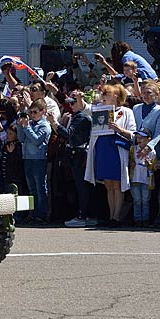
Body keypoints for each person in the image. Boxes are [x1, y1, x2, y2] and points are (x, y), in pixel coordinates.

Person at [84, 84, 137, 226]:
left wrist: (119, 129)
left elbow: (132, 133)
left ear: (115, 96)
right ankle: (111, 214)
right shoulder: (99, 109)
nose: (103, 96)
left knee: (117, 184)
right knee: (108, 184)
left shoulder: (126, 111)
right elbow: (85, 108)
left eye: (107, 94)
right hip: (102, 148)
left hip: (116, 148)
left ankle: (117, 216)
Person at [55, 94, 95, 227]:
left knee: (82, 186)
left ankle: (83, 215)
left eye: (73, 103)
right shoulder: (76, 116)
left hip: (80, 154)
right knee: (79, 186)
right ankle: (85, 214)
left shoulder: (83, 117)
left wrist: (55, 124)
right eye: (69, 104)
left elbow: (68, 134)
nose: (70, 106)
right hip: (76, 153)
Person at [17, 99, 51, 224]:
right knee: (32, 189)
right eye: (31, 112)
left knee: (40, 188)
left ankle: (41, 214)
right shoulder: (30, 124)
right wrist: (20, 126)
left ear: (43, 112)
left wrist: (27, 127)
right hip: (27, 158)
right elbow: (21, 139)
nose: (32, 115)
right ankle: (33, 213)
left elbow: (37, 141)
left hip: (39, 159)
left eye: (35, 112)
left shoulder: (45, 125)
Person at [130, 129, 154, 226]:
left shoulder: (152, 152)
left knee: (145, 200)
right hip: (135, 178)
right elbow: (129, 161)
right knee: (137, 200)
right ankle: (137, 219)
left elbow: (154, 166)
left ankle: (145, 219)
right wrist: (131, 163)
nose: (139, 140)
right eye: (138, 137)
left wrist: (150, 164)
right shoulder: (133, 149)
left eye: (142, 138)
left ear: (148, 139)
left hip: (146, 180)